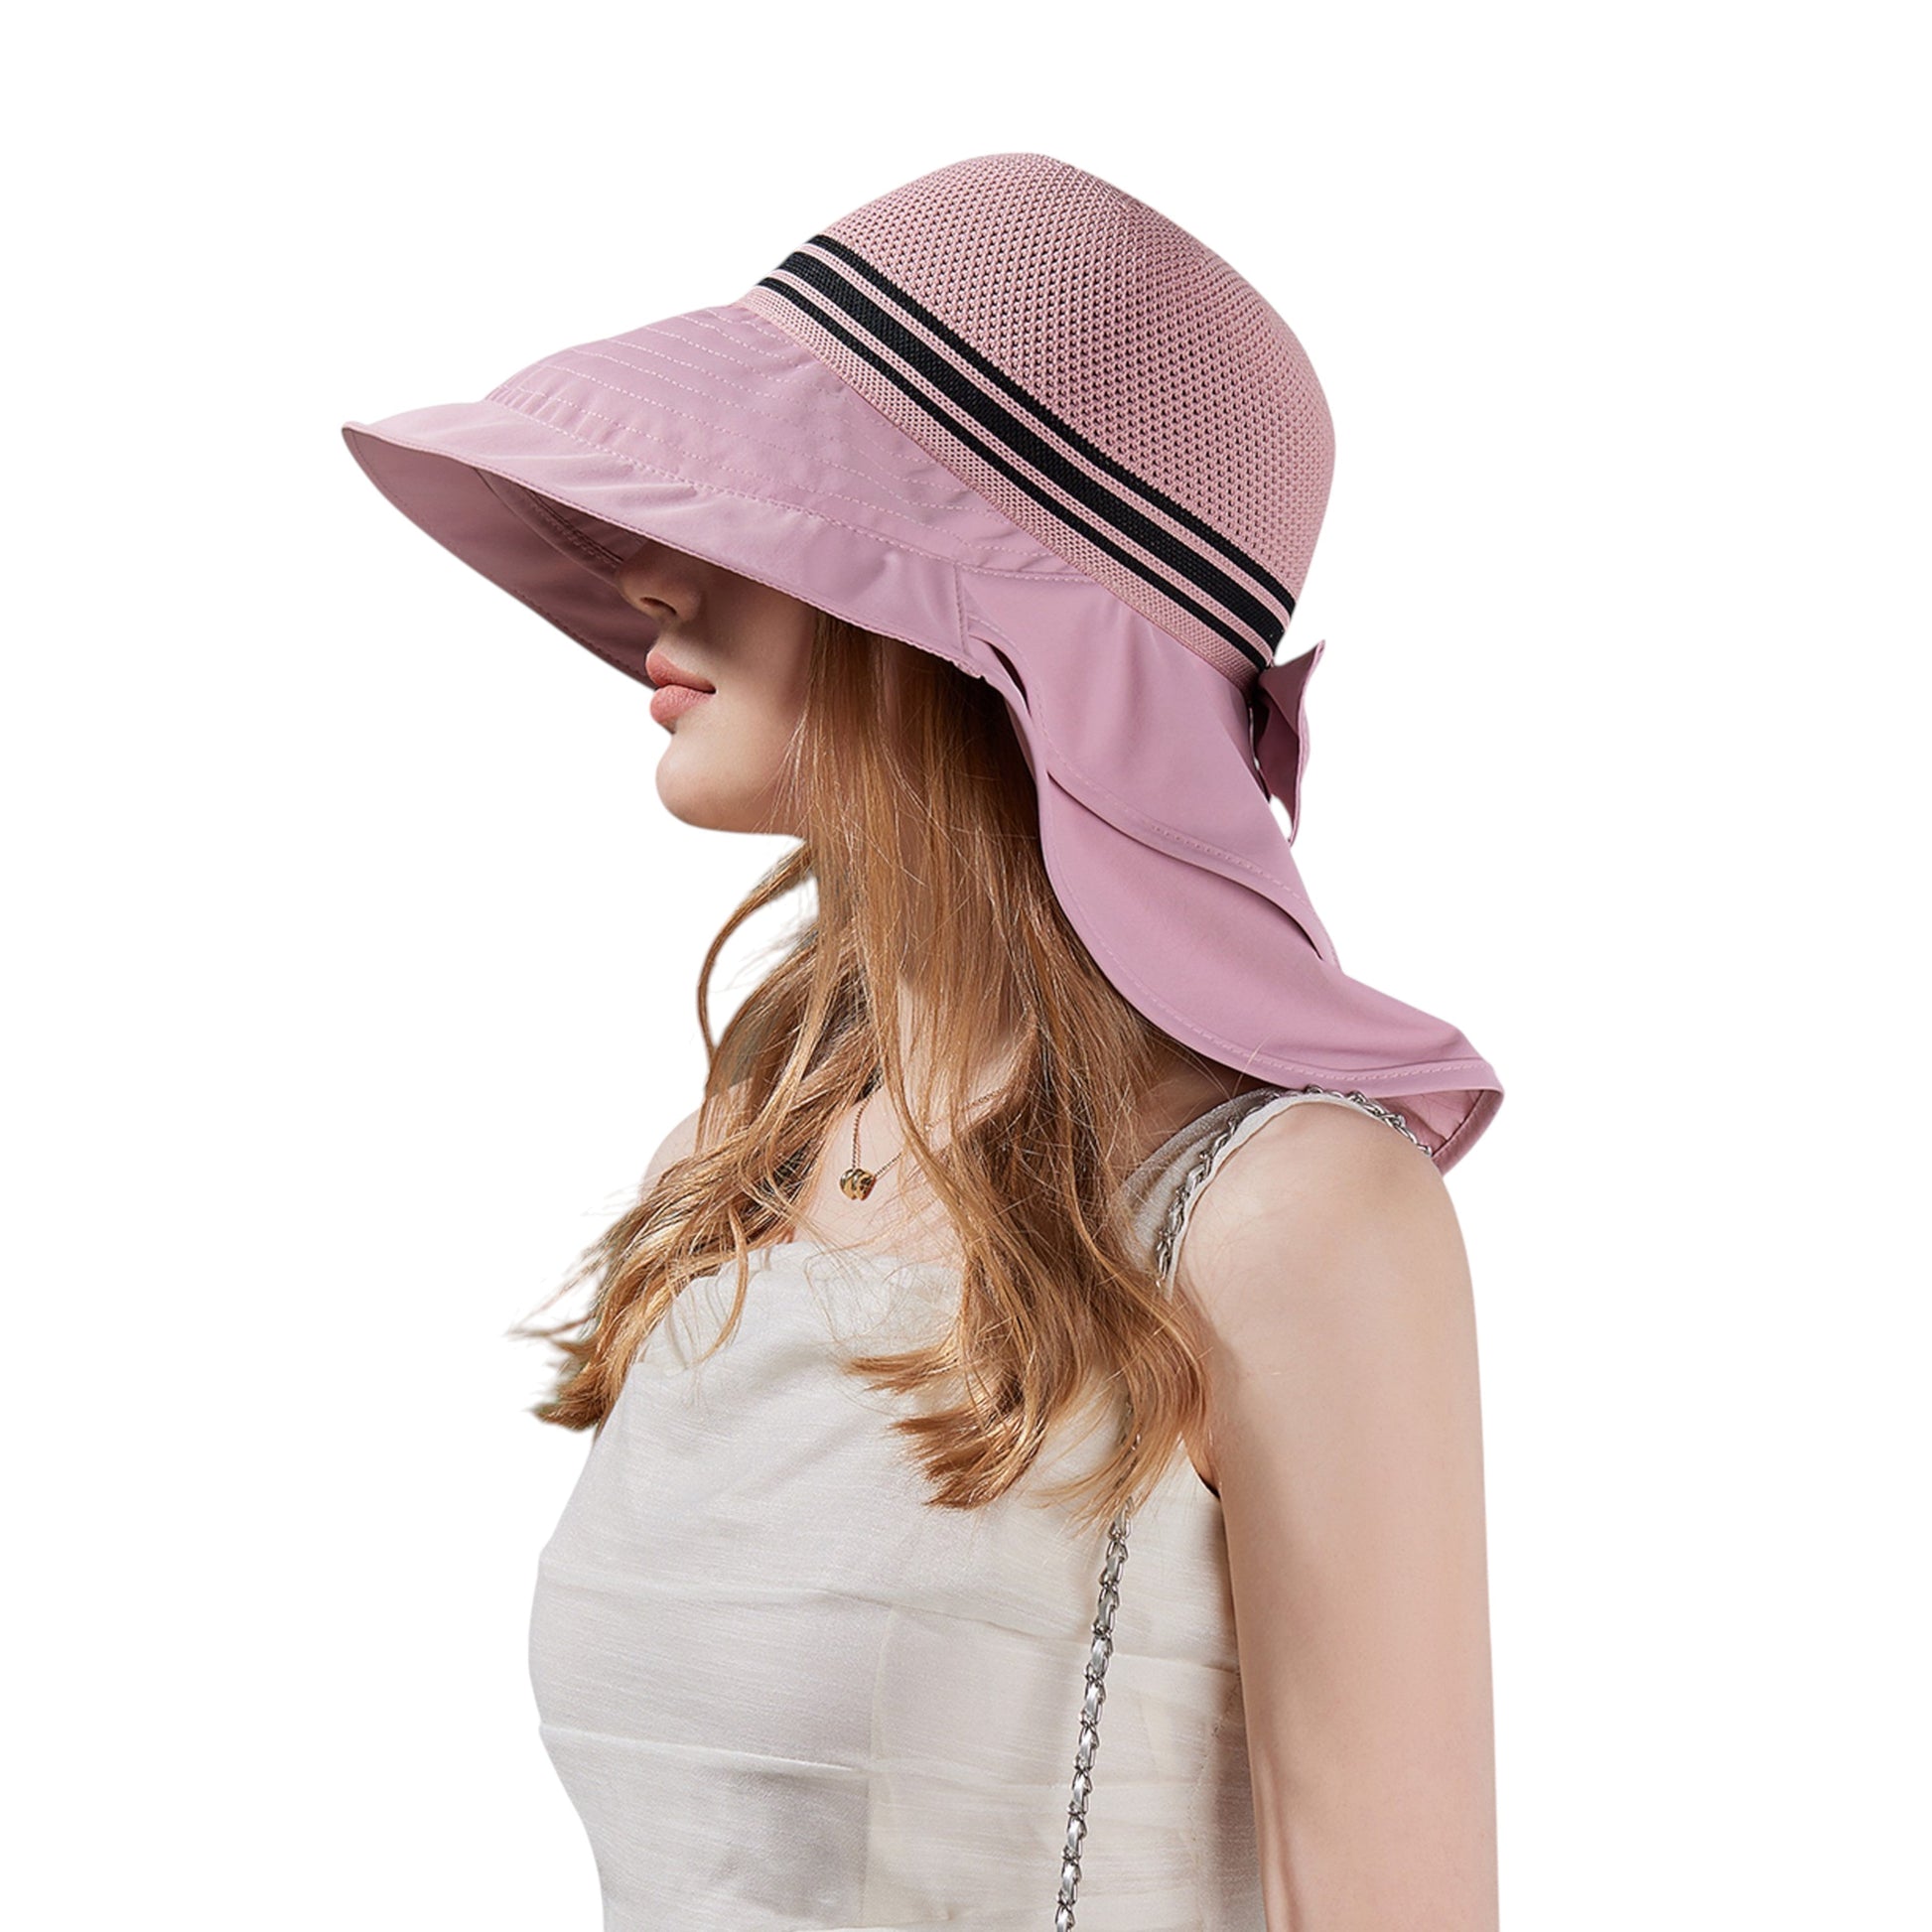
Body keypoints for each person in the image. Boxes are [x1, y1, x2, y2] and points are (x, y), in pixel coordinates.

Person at [343, 152, 1503, 1931]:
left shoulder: (1285, 1213)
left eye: (751, 517)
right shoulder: (731, 1170)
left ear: (979, 637)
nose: (644, 575)